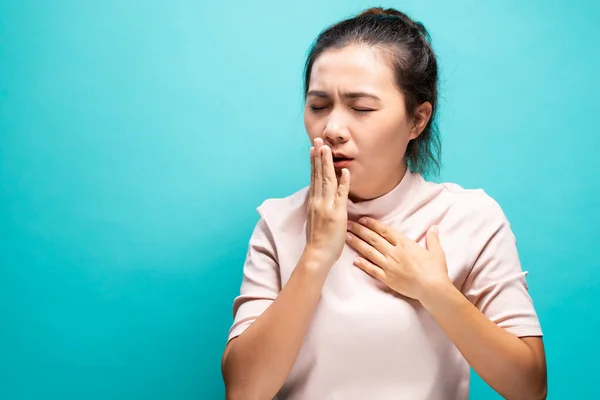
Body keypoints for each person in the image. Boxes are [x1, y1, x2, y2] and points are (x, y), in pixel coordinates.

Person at [221, 7, 547, 400]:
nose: (332, 129)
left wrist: (435, 291)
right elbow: (243, 391)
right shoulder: (278, 221)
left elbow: (529, 387)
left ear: (417, 119)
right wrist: (315, 257)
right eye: (319, 105)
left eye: (361, 108)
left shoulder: (471, 218)